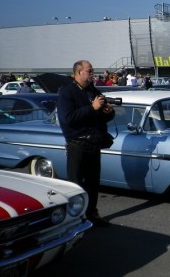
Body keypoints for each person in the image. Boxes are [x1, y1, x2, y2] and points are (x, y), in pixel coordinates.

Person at [57, 60, 116, 227]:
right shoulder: (67, 93)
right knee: (75, 184)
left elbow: (99, 116)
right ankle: (74, 218)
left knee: (93, 182)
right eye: (89, 71)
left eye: (92, 71)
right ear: (78, 73)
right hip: (77, 144)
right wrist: (92, 107)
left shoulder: (92, 90)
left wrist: (108, 113)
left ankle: (91, 214)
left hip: (94, 143)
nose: (92, 74)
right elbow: (68, 119)